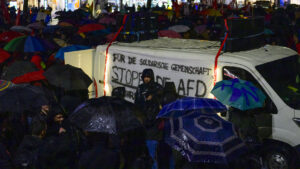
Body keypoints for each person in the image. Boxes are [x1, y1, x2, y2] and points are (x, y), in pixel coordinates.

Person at [134, 68, 163, 169]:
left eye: (148, 77)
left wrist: (153, 97)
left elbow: (161, 101)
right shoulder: (140, 88)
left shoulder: (157, 88)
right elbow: (136, 103)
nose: (146, 79)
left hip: (154, 124)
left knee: (152, 149)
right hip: (143, 121)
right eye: (145, 77)